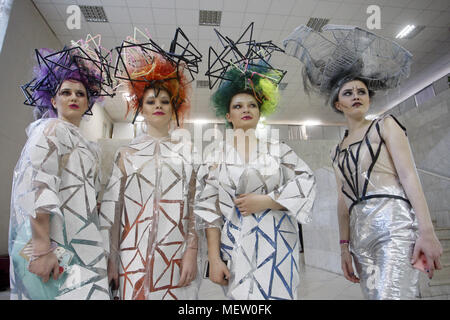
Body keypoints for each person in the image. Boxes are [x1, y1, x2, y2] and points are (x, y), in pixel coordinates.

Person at [283, 24, 443, 299]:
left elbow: (409, 176)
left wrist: (427, 231)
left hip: (393, 221)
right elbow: (341, 203)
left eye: (361, 92)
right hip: (360, 234)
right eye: (348, 93)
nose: (356, 96)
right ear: (338, 104)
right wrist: (344, 247)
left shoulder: (386, 125)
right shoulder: (337, 150)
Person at [195, 25, 316, 300]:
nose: (246, 110)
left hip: (279, 244)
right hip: (235, 245)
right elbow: (208, 209)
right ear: (227, 115)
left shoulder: (279, 149)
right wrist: (214, 259)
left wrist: (268, 201)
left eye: (252, 105)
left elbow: (307, 181)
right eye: (238, 106)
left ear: (261, 112)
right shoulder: (214, 156)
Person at [100, 29, 202, 300]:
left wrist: (191, 252)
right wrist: (111, 258)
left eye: (165, 101)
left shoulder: (187, 153)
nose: (158, 105)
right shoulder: (126, 153)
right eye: (151, 101)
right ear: (141, 108)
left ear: (174, 108)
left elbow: (195, 206)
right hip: (130, 255)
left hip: (174, 254)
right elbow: (114, 208)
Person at [9, 40, 113, 300]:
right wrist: (42, 248)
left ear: (89, 103)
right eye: (66, 92)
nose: (74, 98)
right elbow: (38, 185)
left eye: (80, 94)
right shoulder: (51, 130)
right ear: (53, 99)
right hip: (56, 246)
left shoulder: (85, 143)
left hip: (78, 243)